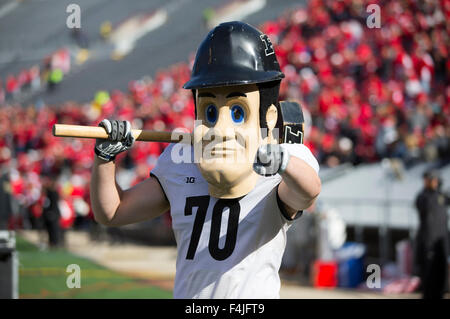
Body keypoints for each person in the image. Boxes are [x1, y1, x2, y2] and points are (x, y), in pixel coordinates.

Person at [90, 21, 321, 299]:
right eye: (210, 112)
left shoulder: (280, 162)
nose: (220, 130)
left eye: (237, 112)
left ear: (268, 117)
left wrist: (283, 162)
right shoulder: (181, 161)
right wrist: (105, 158)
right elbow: (114, 212)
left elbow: (308, 192)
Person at [414, 169, 449, 299]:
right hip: (428, 241)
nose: (429, 182)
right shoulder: (423, 196)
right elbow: (424, 205)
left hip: (441, 241)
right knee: (428, 275)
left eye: (432, 180)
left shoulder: (441, 196)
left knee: (441, 273)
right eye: (428, 180)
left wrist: (439, 189)